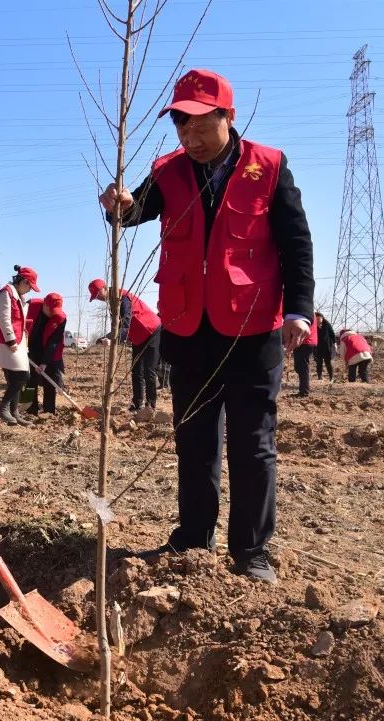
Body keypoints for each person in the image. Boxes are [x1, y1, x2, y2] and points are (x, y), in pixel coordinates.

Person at [98, 68, 314, 583]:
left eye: (200, 126)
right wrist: (118, 206)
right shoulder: (168, 170)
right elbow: (135, 212)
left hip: (253, 328)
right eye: (181, 127)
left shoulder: (269, 166)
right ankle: (194, 537)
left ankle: (251, 551)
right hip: (189, 328)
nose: (190, 138)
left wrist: (298, 310)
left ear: (228, 117)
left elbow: (296, 244)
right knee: (193, 440)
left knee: (252, 442)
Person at [88, 279, 162, 411]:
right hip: (138, 336)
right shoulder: (113, 301)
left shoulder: (123, 298)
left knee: (149, 370)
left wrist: (113, 340)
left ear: (105, 288)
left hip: (151, 330)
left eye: (98, 294)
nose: (98, 298)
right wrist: (105, 337)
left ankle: (150, 406)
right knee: (136, 370)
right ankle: (137, 404)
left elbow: (125, 325)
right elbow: (118, 326)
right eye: (95, 297)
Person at [0, 265, 39, 425]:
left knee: (17, 378)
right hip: (7, 342)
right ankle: (2, 408)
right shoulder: (6, 293)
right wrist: (11, 340)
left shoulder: (17, 296)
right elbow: (4, 319)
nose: (30, 290)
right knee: (23, 376)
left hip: (18, 341)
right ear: (23, 281)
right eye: (30, 286)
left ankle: (13, 411)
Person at [26, 292, 67, 415]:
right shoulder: (30, 306)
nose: (53, 313)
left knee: (50, 380)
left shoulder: (61, 317)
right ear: (44, 304)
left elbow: (54, 342)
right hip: (29, 346)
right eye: (51, 310)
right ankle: (28, 408)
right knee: (28, 379)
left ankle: (49, 411)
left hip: (50, 350)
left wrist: (44, 362)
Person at [292, 317, 317, 397]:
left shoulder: (304, 311)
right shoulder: (306, 310)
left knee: (302, 367)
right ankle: (304, 389)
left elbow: (298, 326)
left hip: (305, 342)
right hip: (304, 341)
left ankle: (304, 391)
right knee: (299, 367)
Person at [313, 311, 336, 382]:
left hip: (326, 347)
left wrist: (334, 343)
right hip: (317, 347)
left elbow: (332, 334)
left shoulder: (327, 324)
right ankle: (319, 378)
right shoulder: (313, 325)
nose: (318, 320)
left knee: (328, 363)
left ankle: (331, 378)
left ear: (322, 318)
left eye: (319, 319)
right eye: (316, 319)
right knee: (319, 363)